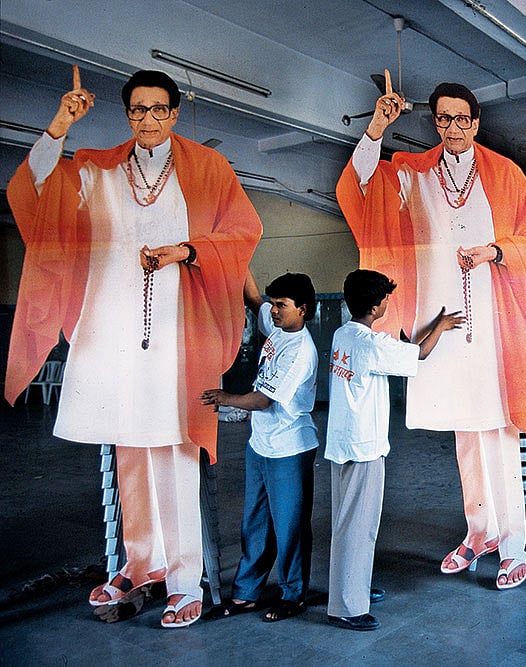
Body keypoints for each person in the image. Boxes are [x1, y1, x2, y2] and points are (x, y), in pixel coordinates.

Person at [4, 67, 262, 628]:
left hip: (178, 332)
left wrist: (187, 251)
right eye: (137, 110)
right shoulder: (96, 168)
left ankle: (185, 580)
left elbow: (243, 231)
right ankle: (141, 562)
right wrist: (59, 127)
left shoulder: (209, 167)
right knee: (130, 448)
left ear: (173, 113)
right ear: (127, 115)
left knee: (173, 450)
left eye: (157, 109)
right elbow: (35, 193)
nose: (147, 119)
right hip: (113, 331)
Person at [335, 73, 526, 590]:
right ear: (434, 123)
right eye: (443, 118)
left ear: (477, 122)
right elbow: (361, 191)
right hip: (443, 329)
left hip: (493, 329)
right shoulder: (411, 173)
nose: (453, 126)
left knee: (498, 437)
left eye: (462, 118)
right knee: (464, 437)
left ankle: (513, 548)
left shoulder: (505, 174)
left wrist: (496, 252)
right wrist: (376, 129)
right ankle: (480, 533)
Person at [326, 269, 464, 631]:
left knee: (346, 523)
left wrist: (431, 325)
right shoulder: (372, 345)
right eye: (385, 297)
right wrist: (443, 326)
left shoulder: (345, 335)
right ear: (375, 305)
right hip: (364, 446)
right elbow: (418, 354)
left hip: (342, 443)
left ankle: (349, 589)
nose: (388, 302)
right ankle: (347, 607)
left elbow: (402, 351)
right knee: (360, 526)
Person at [201, 272, 319, 623]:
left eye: (282, 305)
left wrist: (226, 398)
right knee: (255, 524)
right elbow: (254, 299)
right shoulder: (280, 326)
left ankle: (293, 594)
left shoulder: (300, 351)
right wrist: (239, 254)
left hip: (289, 449)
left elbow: (264, 400)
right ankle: (247, 593)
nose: (274, 311)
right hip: (261, 445)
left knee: (290, 527)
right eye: (275, 304)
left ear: (303, 309)